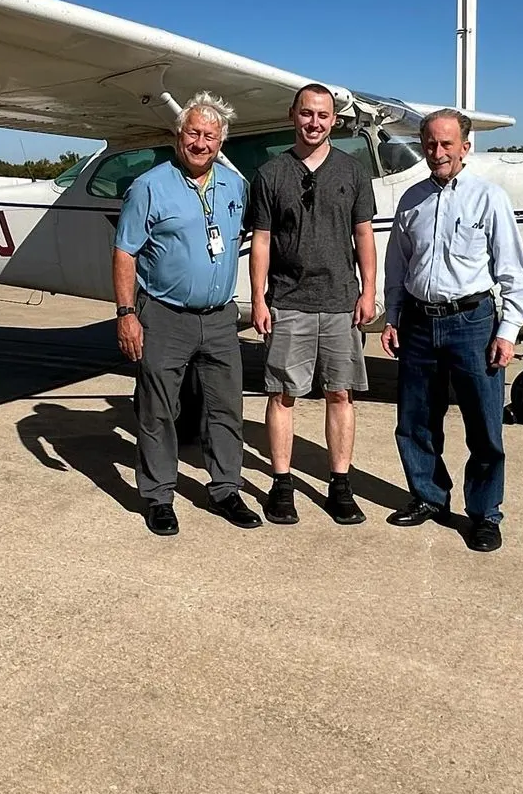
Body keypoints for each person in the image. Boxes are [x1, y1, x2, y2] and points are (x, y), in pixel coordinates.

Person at [381, 108, 523, 553]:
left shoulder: (489, 199)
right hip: (419, 323)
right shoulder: (411, 201)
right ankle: (429, 496)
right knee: (415, 421)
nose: (437, 151)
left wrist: (507, 331)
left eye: (447, 144)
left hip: (473, 323)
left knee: (484, 426)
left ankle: (485, 513)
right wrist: (392, 317)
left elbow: (513, 272)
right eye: (430, 143)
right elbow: (397, 266)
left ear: (466, 147)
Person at [112, 91, 262, 536]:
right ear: (179, 137)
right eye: (193, 133)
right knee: (159, 409)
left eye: (210, 136)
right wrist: (126, 313)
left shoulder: (235, 186)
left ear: (221, 142)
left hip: (220, 318)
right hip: (164, 314)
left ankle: (225, 489)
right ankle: (158, 495)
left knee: (225, 408)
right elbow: (125, 253)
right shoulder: (149, 187)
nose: (201, 143)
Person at [248, 83, 377, 526]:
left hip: (341, 302)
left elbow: (363, 234)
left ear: (334, 121)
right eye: (307, 114)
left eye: (323, 115)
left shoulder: (353, 171)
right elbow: (261, 240)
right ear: (293, 115)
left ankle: (339, 485)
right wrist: (258, 299)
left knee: (340, 393)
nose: (314, 122)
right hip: (288, 300)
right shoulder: (270, 174)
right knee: (283, 395)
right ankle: (281, 484)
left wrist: (368, 290)